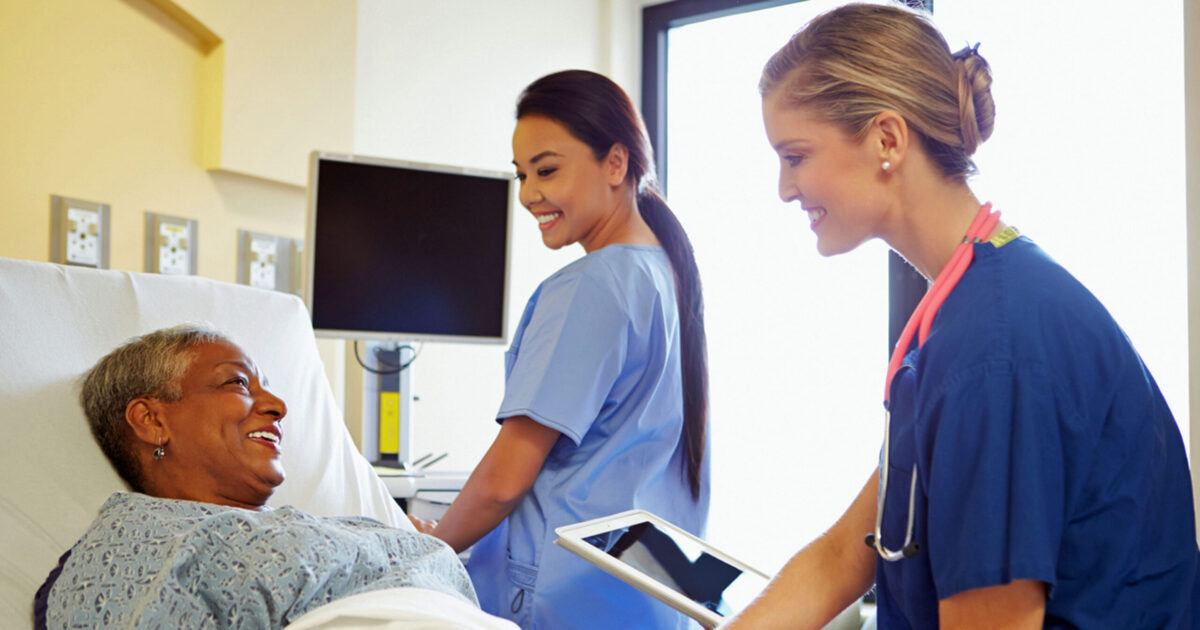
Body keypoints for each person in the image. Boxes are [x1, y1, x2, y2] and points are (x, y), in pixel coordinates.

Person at [721, 4, 1199, 629]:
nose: (784, 188)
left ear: (887, 139)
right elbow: (843, 555)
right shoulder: (967, 305)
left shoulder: (994, 346)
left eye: (795, 156)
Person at [420, 69, 711, 629]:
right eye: (522, 175)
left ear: (616, 163)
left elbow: (506, 480)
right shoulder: (664, 276)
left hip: (566, 597)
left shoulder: (592, 285)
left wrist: (429, 549)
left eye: (547, 170)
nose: (529, 194)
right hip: (644, 599)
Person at [37, 325, 509, 629]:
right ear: (151, 420)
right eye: (237, 383)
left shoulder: (332, 525)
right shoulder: (134, 543)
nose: (278, 407)